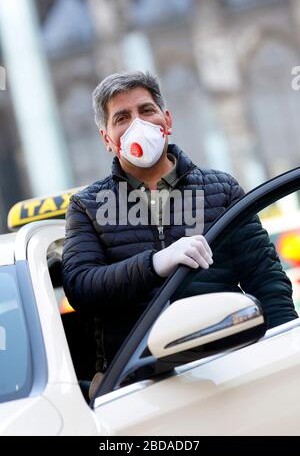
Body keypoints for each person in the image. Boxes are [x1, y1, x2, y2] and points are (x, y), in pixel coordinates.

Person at [62, 71, 298, 375]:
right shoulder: (87, 207)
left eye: (146, 110)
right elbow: (81, 287)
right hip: (141, 383)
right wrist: (154, 264)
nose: (139, 124)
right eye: (122, 118)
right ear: (107, 139)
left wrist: (285, 351)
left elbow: (266, 279)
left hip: (231, 364)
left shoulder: (221, 189)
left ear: (167, 120)